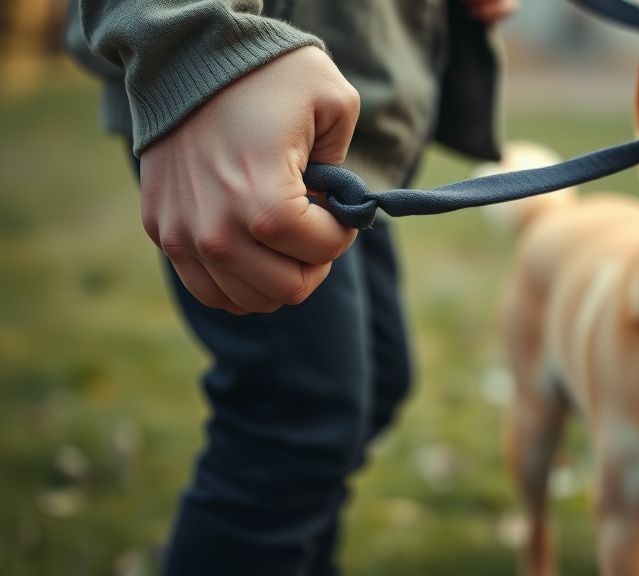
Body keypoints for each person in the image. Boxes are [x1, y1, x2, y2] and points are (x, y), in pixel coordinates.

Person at [66, 0, 517, 573]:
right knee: (295, 420)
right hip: (243, 88)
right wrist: (189, 42)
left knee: (376, 382)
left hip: (343, 96)